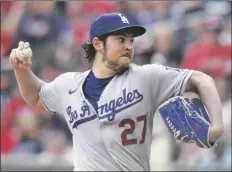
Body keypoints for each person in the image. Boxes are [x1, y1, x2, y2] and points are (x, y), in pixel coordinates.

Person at [9, 12, 224, 171]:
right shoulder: (68, 85)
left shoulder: (146, 77)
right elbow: (36, 96)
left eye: (131, 40)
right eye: (121, 39)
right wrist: (22, 70)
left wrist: (216, 127)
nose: (129, 46)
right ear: (98, 44)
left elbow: (201, 79)